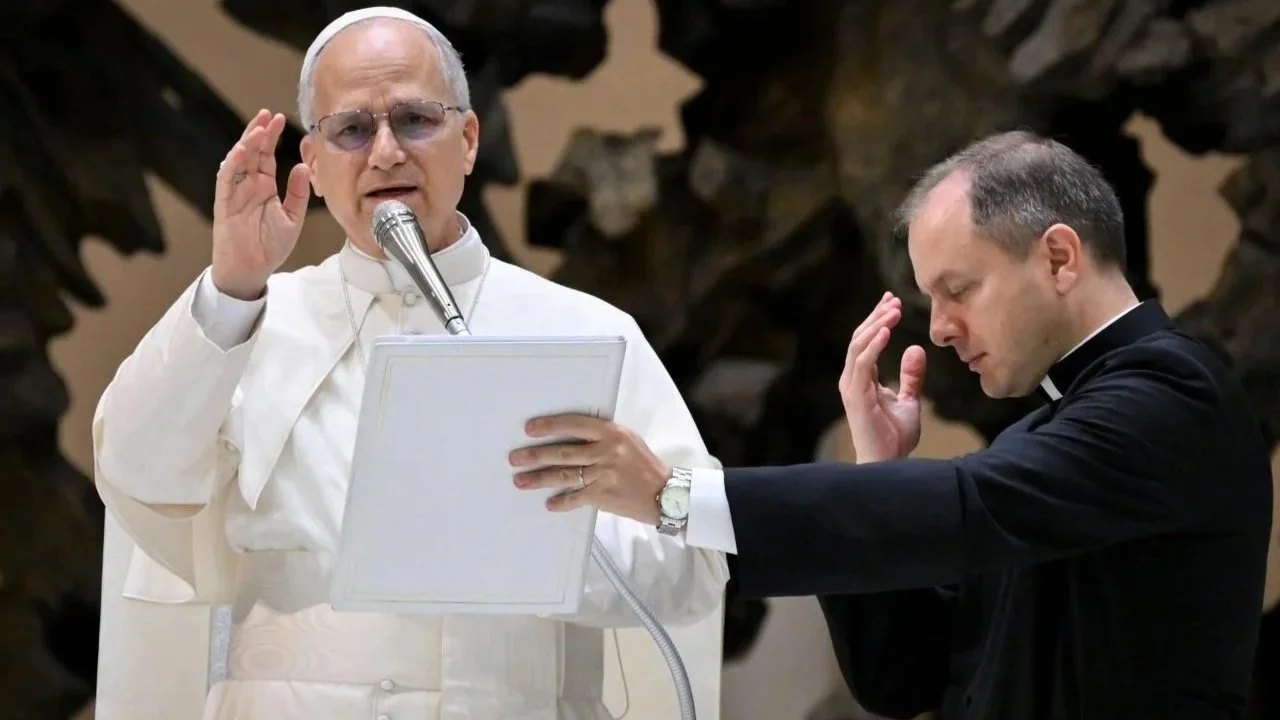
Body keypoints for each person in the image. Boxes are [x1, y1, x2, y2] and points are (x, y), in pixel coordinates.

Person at [92, 7, 727, 720]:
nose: (386, 152)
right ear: (313, 165)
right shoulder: (246, 321)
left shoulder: (582, 329)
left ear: (468, 140)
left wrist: (525, 549)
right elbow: (136, 475)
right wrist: (231, 287)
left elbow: (692, 568)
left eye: (416, 121)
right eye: (352, 130)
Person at [510, 131, 1275, 719]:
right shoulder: (1044, 434)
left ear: (1060, 258)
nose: (939, 330)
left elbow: (970, 507)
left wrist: (678, 497)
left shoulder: (1172, 397)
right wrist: (877, 467)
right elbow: (903, 678)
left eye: (959, 289)